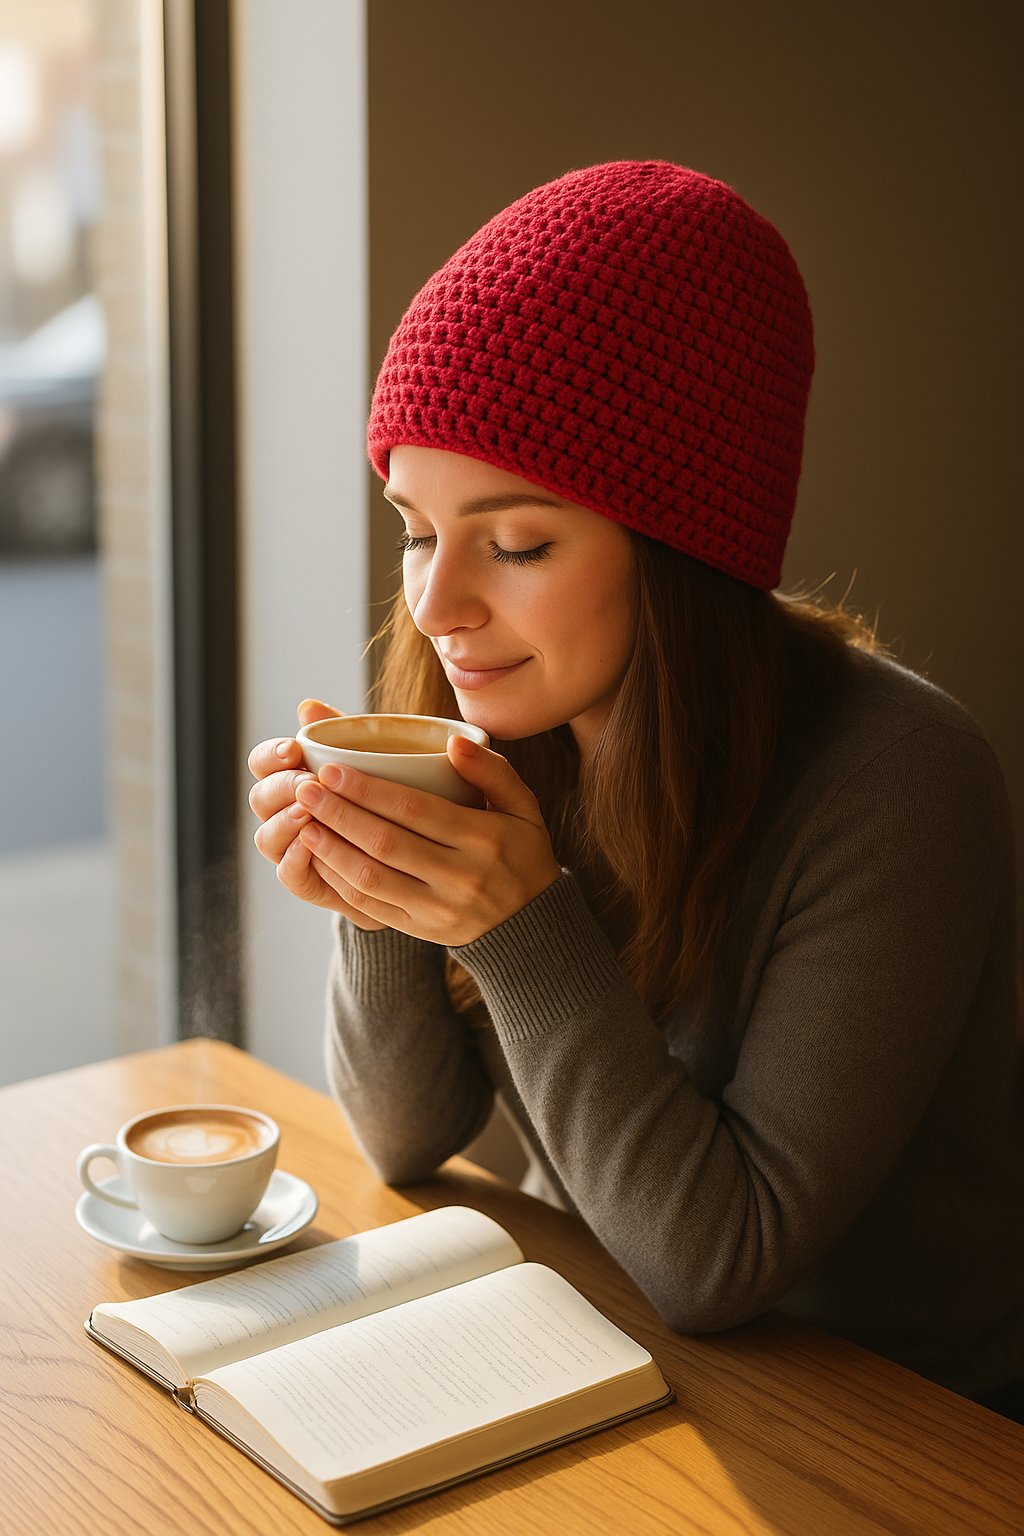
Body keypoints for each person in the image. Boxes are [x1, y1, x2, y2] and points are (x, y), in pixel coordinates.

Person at [248, 162, 1023, 1416]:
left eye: (515, 544)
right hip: (613, 1353)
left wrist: (518, 923)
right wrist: (374, 871)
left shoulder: (902, 784)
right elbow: (406, 1132)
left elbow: (721, 1262)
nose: (436, 607)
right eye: (412, 527)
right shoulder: (508, 712)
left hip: (901, 1421)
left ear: (682, 550)